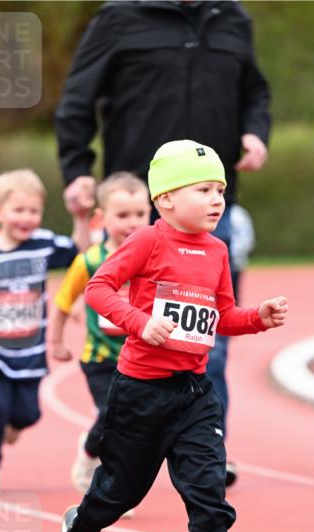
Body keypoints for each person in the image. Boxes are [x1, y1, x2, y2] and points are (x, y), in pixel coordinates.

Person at [54, 140, 288, 532]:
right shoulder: (147, 241)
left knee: (207, 486)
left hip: (194, 393)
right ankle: (81, 529)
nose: (217, 199)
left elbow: (222, 315)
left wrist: (257, 318)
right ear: (165, 199)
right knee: (122, 490)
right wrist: (140, 322)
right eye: (203, 190)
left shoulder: (218, 250)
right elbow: (98, 289)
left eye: (220, 189)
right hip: (140, 391)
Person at [54, 0, 271, 482]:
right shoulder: (119, 18)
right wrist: (76, 170)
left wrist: (256, 132)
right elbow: (77, 100)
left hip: (212, 207)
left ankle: (207, 448)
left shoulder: (231, 18)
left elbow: (255, 90)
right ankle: (114, 445)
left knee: (207, 338)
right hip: (137, 203)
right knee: (131, 339)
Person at [0, 169, 89, 494]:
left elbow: (80, 253)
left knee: (29, 414)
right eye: (19, 210)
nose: (27, 218)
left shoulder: (43, 244)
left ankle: (10, 426)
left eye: (34, 211)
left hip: (30, 352)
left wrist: (81, 218)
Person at [49, 172, 151, 497]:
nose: (132, 223)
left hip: (142, 359)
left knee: (135, 424)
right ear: (101, 217)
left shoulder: (154, 258)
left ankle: (118, 481)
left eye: (140, 214)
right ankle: (94, 459)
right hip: (101, 358)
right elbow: (63, 302)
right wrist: (56, 342)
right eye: (122, 215)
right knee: (112, 416)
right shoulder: (90, 261)